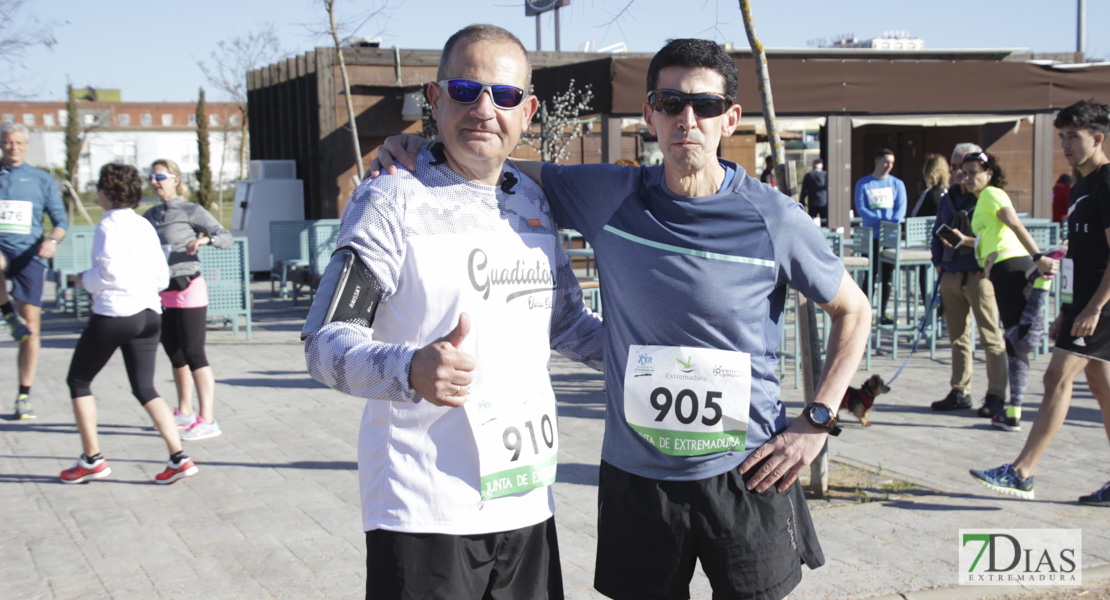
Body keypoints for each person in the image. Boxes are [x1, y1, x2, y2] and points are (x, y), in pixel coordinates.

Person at [373, 37, 872, 600]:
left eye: (705, 106)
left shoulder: (772, 217)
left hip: (747, 469)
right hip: (639, 480)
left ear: (729, 118)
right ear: (649, 115)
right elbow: (492, 160)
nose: (688, 119)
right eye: (671, 103)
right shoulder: (609, 196)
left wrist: (818, 421)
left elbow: (853, 310)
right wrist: (421, 145)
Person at [303, 25, 603, 599]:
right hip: (424, 510)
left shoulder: (531, 199)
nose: (484, 109)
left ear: (529, 110)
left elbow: (565, 325)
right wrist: (409, 369)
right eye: (465, 90)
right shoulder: (389, 199)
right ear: (434, 100)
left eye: (505, 95)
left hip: (524, 500)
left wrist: (647, 360)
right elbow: (323, 342)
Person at [970, 99, 1110, 505]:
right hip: (1082, 305)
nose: (1065, 144)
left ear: (1097, 138)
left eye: (1073, 137)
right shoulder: (1081, 186)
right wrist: (1066, 311)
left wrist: (1092, 309)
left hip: (1100, 306)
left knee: (1055, 379)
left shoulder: (1105, 183)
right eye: (1062, 136)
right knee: (1101, 387)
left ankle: (1022, 472)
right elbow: (1078, 260)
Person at [59, 163, 197, 485]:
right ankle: (179, 457)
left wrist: (82, 279)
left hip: (117, 312)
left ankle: (92, 459)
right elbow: (163, 276)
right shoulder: (143, 225)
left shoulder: (108, 225)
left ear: (106, 192)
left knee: (78, 381)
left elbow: (109, 274)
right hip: (150, 314)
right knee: (145, 387)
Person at [942, 152, 1058, 433]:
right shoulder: (983, 201)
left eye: (974, 172)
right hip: (999, 268)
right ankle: (1013, 411)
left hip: (1011, 265)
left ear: (989, 173)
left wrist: (1039, 256)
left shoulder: (993, 194)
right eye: (964, 172)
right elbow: (987, 239)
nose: (967, 178)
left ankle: (1042, 280)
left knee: (1021, 337)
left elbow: (1014, 223)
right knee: (1015, 339)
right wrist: (964, 241)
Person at [143, 159, 232, 441]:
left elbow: (225, 237)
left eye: (160, 176)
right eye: (151, 177)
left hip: (188, 288)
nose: (155, 181)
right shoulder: (150, 215)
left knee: (194, 353)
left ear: (176, 179)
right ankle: (185, 411)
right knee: (174, 352)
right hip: (162, 292)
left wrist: (204, 240)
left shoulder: (190, 210)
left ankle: (208, 419)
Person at [929, 143, 1009, 416]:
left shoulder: (990, 198)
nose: (961, 173)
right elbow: (936, 233)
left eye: (968, 167)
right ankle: (960, 391)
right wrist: (939, 264)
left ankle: (996, 395)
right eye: (956, 167)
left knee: (990, 337)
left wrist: (968, 244)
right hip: (951, 274)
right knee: (958, 338)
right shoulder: (947, 197)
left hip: (979, 275)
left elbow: (1000, 238)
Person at [0, 121, 68, 420]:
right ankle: (5, 311)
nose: (13, 147)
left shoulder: (41, 179)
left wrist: (52, 241)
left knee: (31, 330)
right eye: (7, 142)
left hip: (30, 255)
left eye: (19, 143)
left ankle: (24, 395)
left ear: (26, 146)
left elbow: (60, 222)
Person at [855, 148, 907, 324]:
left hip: (889, 237)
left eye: (892, 163)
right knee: (870, 275)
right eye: (886, 162)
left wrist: (890, 222)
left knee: (887, 277)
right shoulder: (864, 183)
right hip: (871, 236)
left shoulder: (897, 184)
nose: (889, 166)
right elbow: (862, 208)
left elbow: (901, 208)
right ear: (877, 162)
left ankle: (883, 312)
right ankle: (863, 313)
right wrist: (879, 221)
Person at [800, 158, 828, 222]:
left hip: (812, 203)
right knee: (824, 222)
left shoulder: (808, 176)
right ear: (822, 166)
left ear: (813, 166)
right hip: (824, 203)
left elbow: (804, 191)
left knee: (811, 222)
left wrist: (802, 202)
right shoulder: (826, 175)